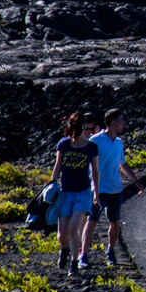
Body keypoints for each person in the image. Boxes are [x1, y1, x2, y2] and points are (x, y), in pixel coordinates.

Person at [80, 107, 138, 268]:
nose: (124, 124)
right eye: (121, 121)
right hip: (98, 189)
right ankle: (83, 254)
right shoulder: (96, 141)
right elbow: (86, 163)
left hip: (115, 189)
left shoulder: (118, 142)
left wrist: (135, 181)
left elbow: (122, 164)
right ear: (113, 123)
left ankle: (111, 251)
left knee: (115, 222)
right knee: (91, 222)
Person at [51, 111, 99, 277]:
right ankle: (64, 250)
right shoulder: (63, 144)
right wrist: (52, 186)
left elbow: (95, 171)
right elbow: (58, 166)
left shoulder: (91, 147)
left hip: (83, 193)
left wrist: (96, 193)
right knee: (62, 234)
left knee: (74, 228)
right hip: (65, 193)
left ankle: (74, 263)